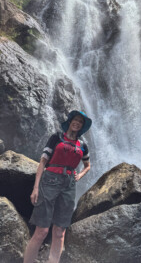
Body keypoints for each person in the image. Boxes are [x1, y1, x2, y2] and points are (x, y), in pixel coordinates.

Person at [23, 110, 92, 263]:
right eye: (75, 120)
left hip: (69, 184)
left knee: (60, 231)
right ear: (69, 121)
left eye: (80, 122)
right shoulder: (56, 138)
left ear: (82, 126)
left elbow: (88, 165)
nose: (77, 123)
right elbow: (42, 163)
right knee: (41, 231)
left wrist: (79, 175)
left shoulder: (82, 145)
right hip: (49, 182)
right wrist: (36, 188)